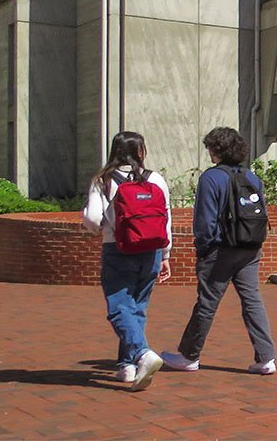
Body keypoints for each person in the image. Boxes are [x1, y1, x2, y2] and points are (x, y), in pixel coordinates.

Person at [160, 126, 277, 375]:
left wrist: (204, 249)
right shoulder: (251, 177)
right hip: (250, 248)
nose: (209, 152)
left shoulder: (211, 178)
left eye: (210, 147)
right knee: (252, 300)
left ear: (217, 149)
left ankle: (188, 355)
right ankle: (266, 358)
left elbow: (204, 221)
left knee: (207, 303)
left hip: (220, 250)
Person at [82, 130, 172, 390]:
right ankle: (127, 366)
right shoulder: (155, 179)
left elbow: (93, 220)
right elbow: (166, 219)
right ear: (141, 152)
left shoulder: (104, 180)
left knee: (118, 306)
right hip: (152, 250)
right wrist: (166, 255)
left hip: (118, 249)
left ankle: (142, 354)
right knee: (137, 308)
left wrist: (89, 223)